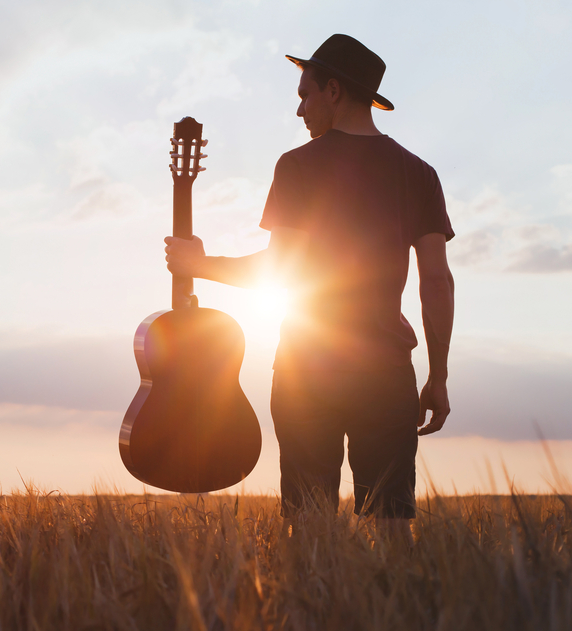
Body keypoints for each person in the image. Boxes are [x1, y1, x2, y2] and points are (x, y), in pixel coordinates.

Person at [164, 34, 454, 544]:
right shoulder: (420, 174)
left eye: (305, 94)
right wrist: (438, 376)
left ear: (334, 91)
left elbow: (282, 269)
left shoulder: (298, 166)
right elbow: (436, 280)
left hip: (307, 368)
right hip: (386, 371)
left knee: (309, 530)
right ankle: (402, 623)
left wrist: (199, 264)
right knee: (392, 531)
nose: (300, 110)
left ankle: (313, 624)